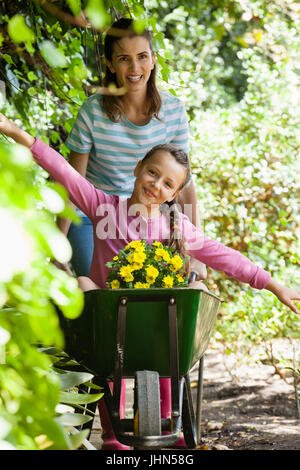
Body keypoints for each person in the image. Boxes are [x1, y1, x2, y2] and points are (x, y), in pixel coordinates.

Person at [1, 114, 299, 451]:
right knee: (84, 282)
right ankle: (113, 433)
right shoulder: (103, 208)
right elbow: (63, 171)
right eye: (153, 173)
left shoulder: (176, 227)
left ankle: (168, 421)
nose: (157, 185)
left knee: (194, 292)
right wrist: (12, 130)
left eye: (168, 184)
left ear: (174, 194)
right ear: (138, 168)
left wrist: (274, 284)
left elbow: (224, 256)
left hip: (161, 328)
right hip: (110, 323)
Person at [57, 17, 207, 280]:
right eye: (124, 58)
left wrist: (196, 256)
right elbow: (71, 183)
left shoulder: (173, 111)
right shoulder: (93, 111)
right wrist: (56, 249)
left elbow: (185, 186)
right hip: (96, 215)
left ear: (153, 59)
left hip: (148, 215)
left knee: (154, 287)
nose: (135, 67)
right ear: (110, 64)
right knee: (106, 285)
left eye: (142, 56)